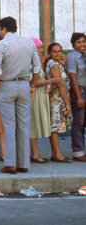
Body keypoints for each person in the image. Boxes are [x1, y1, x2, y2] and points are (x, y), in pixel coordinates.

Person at [0, 17, 40, 174]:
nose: (0, 31)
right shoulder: (28, 42)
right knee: (23, 124)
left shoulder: (2, 44)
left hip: (7, 84)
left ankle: (11, 163)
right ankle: (23, 163)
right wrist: (32, 84)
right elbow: (37, 66)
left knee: (10, 125)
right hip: (24, 85)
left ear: (4, 29)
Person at [28, 37, 57, 164]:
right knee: (33, 125)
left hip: (40, 96)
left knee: (35, 124)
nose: (41, 50)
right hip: (34, 97)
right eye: (39, 47)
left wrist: (48, 85)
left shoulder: (37, 62)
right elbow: (32, 82)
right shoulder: (30, 63)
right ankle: (33, 154)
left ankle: (34, 153)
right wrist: (50, 81)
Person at [45, 42, 72, 163]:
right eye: (54, 51)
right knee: (55, 128)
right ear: (49, 53)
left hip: (56, 97)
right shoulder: (53, 64)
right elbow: (60, 84)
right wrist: (67, 103)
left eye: (59, 51)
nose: (57, 53)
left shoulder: (55, 63)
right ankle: (57, 154)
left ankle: (55, 153)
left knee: (55, 127)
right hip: (56, 99)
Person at [66, 32, 86, 162]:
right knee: (78, 122)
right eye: (79, 42)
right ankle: (78, 152)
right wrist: (79, 97)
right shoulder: (72, 58)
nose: (82, 44)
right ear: (73, 45)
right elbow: (73, 78)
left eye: (83, 41)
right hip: (79, 91)